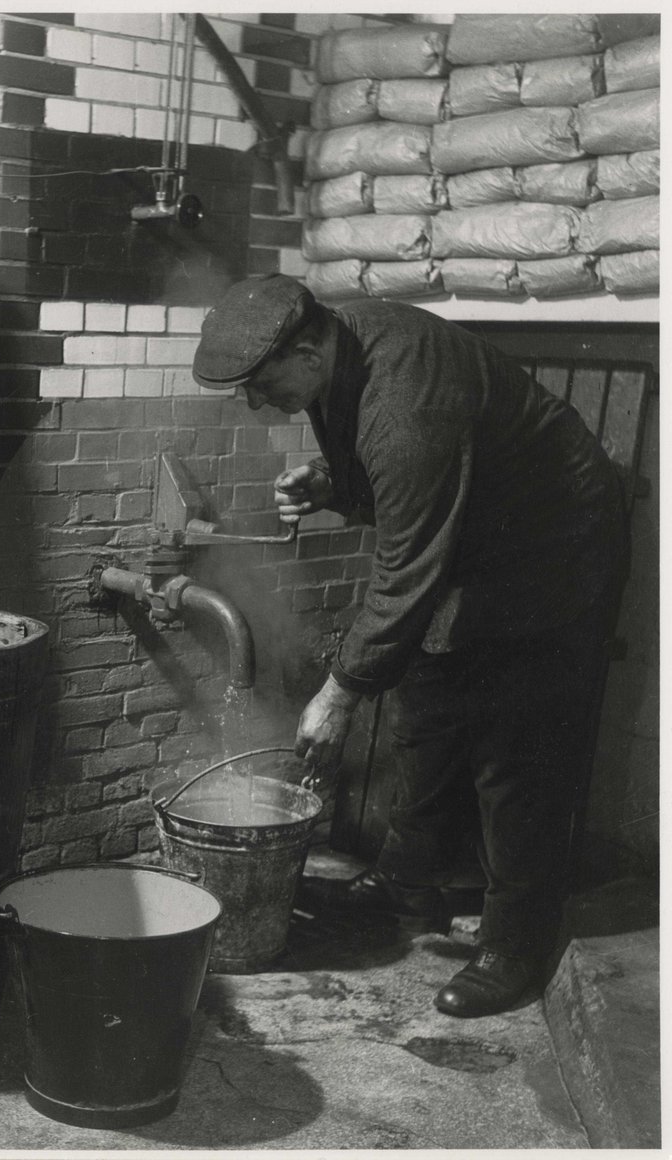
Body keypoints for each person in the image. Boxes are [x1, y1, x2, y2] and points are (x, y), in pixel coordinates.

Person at [191, 274, 627, 1018]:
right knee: (424, 704)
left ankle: (513, 946)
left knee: (514, 753)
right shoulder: (343, 341)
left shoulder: (406, 405)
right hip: (473, 543)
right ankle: (409, 883)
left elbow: (406, 566)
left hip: (551, 553)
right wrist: (334, 483)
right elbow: (406, 496)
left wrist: (340, 692)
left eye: (262, 385)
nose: (258, 402)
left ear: (304, 352)